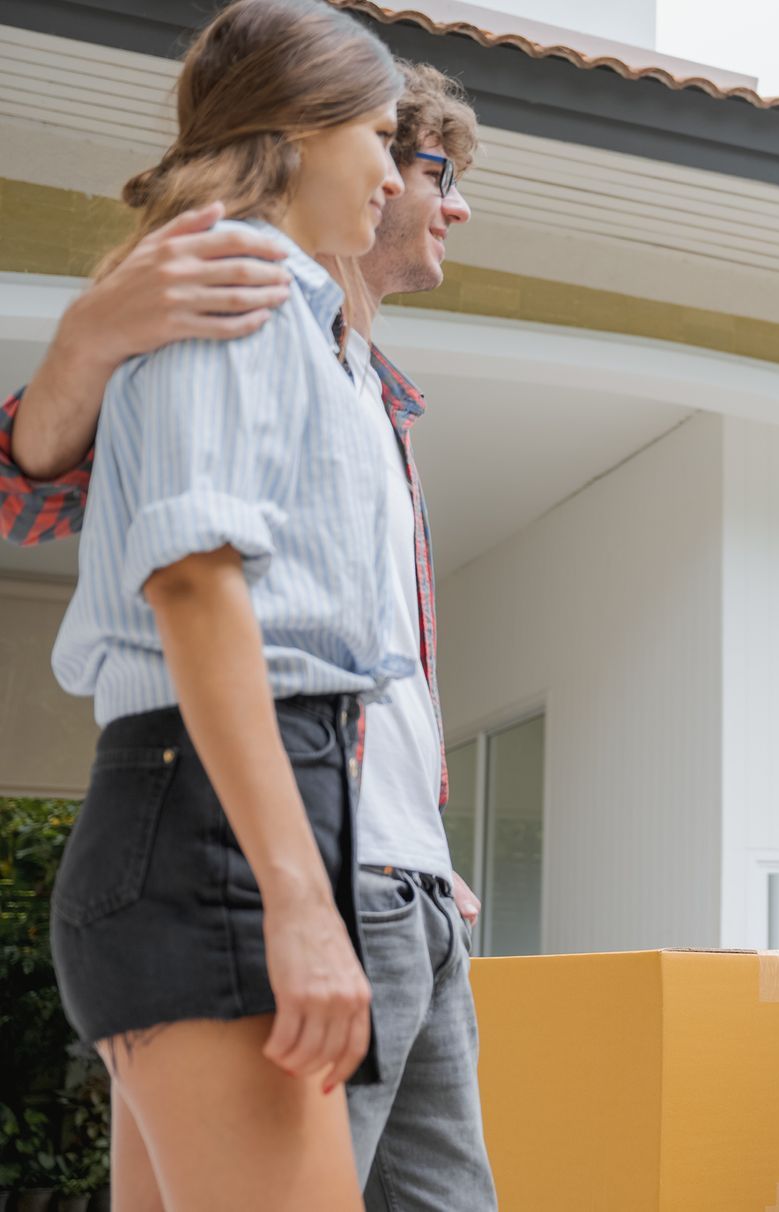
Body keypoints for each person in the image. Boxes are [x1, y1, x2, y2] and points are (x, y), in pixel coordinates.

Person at [8, 47, 496, 1211]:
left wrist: (415, 839)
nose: (421, 190)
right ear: (307, 131)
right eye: (404, 152)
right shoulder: (226, 293)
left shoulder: (357, 384)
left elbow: (354, 654)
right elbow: (167, 568)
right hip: (254, 845)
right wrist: (300, 897)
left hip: (373, 860)